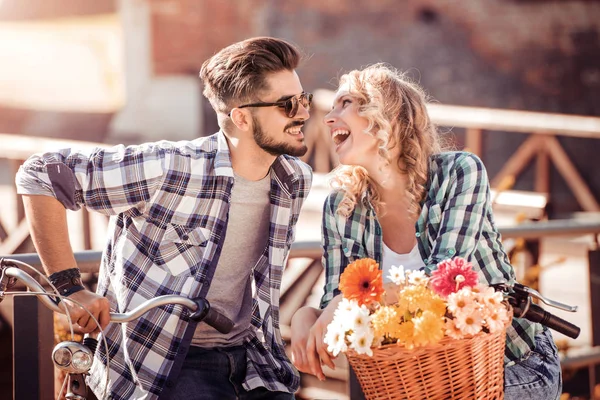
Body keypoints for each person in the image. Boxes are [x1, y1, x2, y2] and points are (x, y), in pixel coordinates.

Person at [16, 36, 313, 400]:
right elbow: (41, 174)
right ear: (242, 118)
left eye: (304, 98)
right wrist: (70, 287)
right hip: (164, 366)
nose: (303, 112)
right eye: (287, 104)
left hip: (253, 362)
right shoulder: (171, 167)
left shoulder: (294, 179)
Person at [290, 63, 562, 400]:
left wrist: (349, 302)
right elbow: (339, 299)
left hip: (509, 366)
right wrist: (309, 314)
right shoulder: (341, 207)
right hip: (418, 381)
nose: (329, 118)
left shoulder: (459, 173)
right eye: (332, 108)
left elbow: (447, 279)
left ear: (385, 115)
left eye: (346, 103)